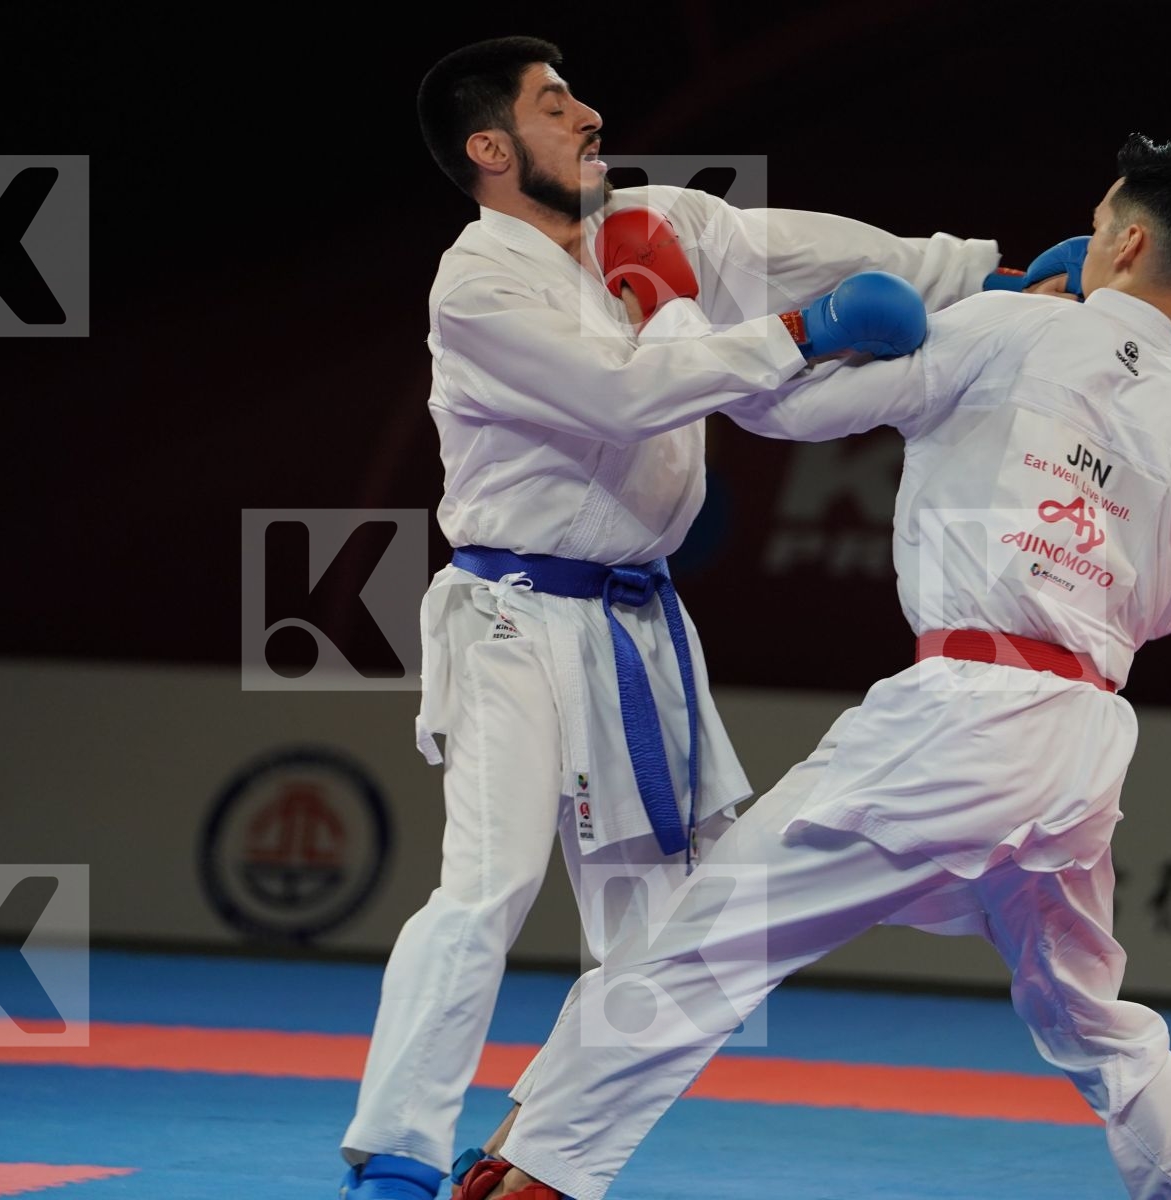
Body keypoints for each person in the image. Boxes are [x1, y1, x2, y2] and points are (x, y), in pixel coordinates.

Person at [465, 134, 1171, 1200]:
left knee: (702, 938)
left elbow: (784, 409)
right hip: (1085, 731)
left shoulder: (1016, 324)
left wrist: (668, 300)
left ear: (1127, 241)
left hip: (960, 718)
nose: (1081, 241)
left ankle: (529, 1179)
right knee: (1089, 1017)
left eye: (1096, 223)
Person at [340, 34, 1023, 1200]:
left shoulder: (655, 221)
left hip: (638, 625)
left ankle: (527, 1143)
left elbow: (811, 248)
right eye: (556, 106)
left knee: (666, 930)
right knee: (489, 884)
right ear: (491, 149)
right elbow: (623, 389)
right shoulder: (481, 280)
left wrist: (983, 277)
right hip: (512, 614)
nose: (590, 115)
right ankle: (395, 1155)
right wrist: (800, 339)